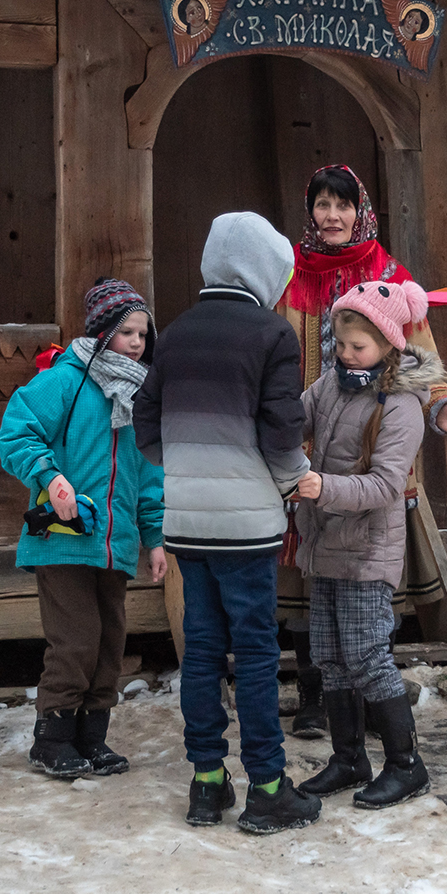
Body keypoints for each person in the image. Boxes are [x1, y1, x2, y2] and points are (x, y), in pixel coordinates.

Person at [274, 164, 447, 740]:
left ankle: (372, 698)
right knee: (309, 579)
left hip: (372, 452)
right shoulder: (287, 276)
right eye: (322, 204)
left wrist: (439, 408)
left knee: (368, 578)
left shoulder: (390, 277)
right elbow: (272, 359)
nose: (332, 216)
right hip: (307, 454)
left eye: (342, 205)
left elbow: (423, 360)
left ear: (361, 211)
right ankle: (316, 696)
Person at [135, 212, 323, 835]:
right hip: (247, 527)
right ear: (265, 270)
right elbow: (281, 430)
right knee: (257, 653)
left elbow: (145, 426)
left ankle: (207, 782)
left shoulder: (175, 333)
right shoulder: (273, 334)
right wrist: (296, 482)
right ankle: (267, 788)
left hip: (187, 522)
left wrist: (188, 466)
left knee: (202, 650)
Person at [0, 278, 167, 780]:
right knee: (75, 640)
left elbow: (149, 475)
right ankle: (52, 738)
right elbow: (17, 431)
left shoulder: (139, 394)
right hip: (63, 540)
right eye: (126, 332)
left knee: (109, 642)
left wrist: (154, 539)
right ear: (101, 333)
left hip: (114, 544)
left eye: (143, 334)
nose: (136, 342)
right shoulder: (64, 381)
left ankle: (92, 736)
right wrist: (49, 477)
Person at [294, 279, 440, 808]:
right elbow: (294, 419)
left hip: (367, 548)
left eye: (358, 346)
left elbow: (384, 486)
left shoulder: (400, 405)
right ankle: (349, 759)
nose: (346, 354)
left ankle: (406, 764)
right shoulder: (330, 385)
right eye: (340, 343)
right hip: (324, 543)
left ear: (388, 343)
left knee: (366, 657)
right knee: (330, 657)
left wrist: (321, 487)